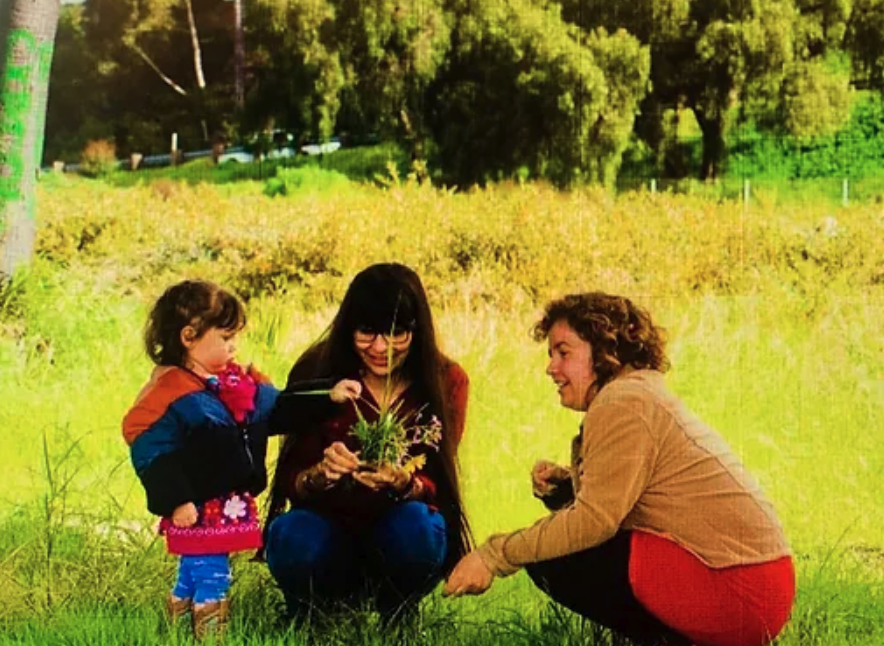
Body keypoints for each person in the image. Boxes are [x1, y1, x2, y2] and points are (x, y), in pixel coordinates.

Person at [444, 292, 795, 646]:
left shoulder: (623, 403)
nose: (551, 368)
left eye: (563, 353)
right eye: (551, 354)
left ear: (605, 351)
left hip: (738, 590)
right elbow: (636, 497)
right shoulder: (636, 392)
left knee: (557, 556)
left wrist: (495, 555)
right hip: (757, 583)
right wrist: (567, 487)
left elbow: (593, 522)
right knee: (561, 545)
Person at [122, 279, 361, 640]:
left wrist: (328, 397)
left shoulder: (239, 382)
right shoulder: (172, 392)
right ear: (189, 336)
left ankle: (175, 632)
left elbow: (278, 409)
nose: (235, 346)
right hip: (197, 504)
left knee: (193, 569)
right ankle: (210, 635)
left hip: (226, 502)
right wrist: (174, 499)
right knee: (212, 572)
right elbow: (148, 445)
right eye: (226, 337)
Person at [264, 262, 472, 624]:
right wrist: (319, 475)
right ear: (348, 328)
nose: (380, 348)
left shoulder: (446, 381)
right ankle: (312, 613)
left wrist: (404, 482)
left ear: (416, 330)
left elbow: (438, 482)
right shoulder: (316, 371)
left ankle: (398, 613)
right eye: (366, 332)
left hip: (400, 533)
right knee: (291, 535)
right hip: (325, 530)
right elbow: (289, 477)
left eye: (396, 334)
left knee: (419, 528)